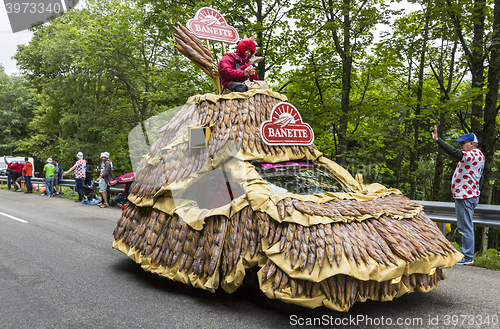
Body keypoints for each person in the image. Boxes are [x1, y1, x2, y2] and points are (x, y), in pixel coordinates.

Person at [431, 126, 485, 265]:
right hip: (467, 195)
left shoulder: (474, 154)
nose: (460, 146)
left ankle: (468, 256)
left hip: (466, 197)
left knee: (465, 226)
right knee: (465, 226)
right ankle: (467, 255)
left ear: (471, 144)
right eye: (460, 143)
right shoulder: (476, 155)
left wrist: (438, 140)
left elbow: (455, 153)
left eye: (463, 143)